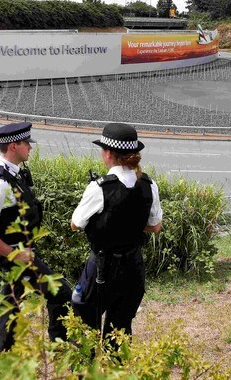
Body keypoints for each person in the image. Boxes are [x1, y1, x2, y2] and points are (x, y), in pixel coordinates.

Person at [0, 122, 72, 352]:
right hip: (16, 255)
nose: (30, 147)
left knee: (11, 302)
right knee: (61, 292)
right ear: (13, 146)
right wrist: (15, 254)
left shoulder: (14, 174)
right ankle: (59, 346)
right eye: (26, 143)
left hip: (21, 252)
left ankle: (7, 352)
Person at [70, 122, 162, 341]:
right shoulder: (149, 185)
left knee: (84, 321)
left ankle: (87, 371)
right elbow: (155, 226)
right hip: (133, 266)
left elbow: (76, 224)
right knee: (120, 329)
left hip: (102, 268)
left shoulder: (100, 188)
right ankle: (116, 371)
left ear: (109, 153)